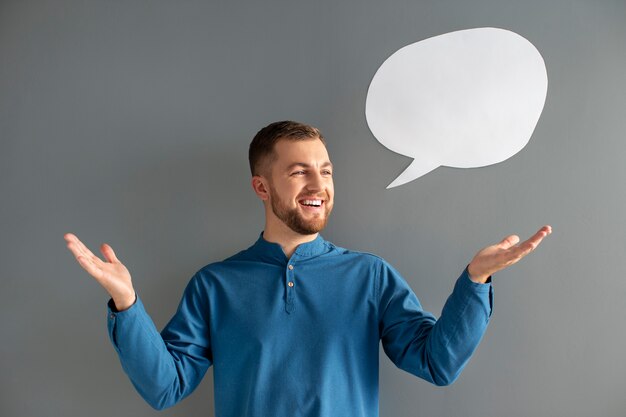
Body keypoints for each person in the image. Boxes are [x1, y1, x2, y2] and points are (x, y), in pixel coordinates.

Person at [64, 121, 551, 417]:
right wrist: (127, 305)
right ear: (261, 187)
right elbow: (165, 387)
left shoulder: (370, 277)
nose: (318, 183)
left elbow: (436, 363)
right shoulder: (215, 286)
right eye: (299, 171)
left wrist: (475, 281)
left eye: (326, 170)